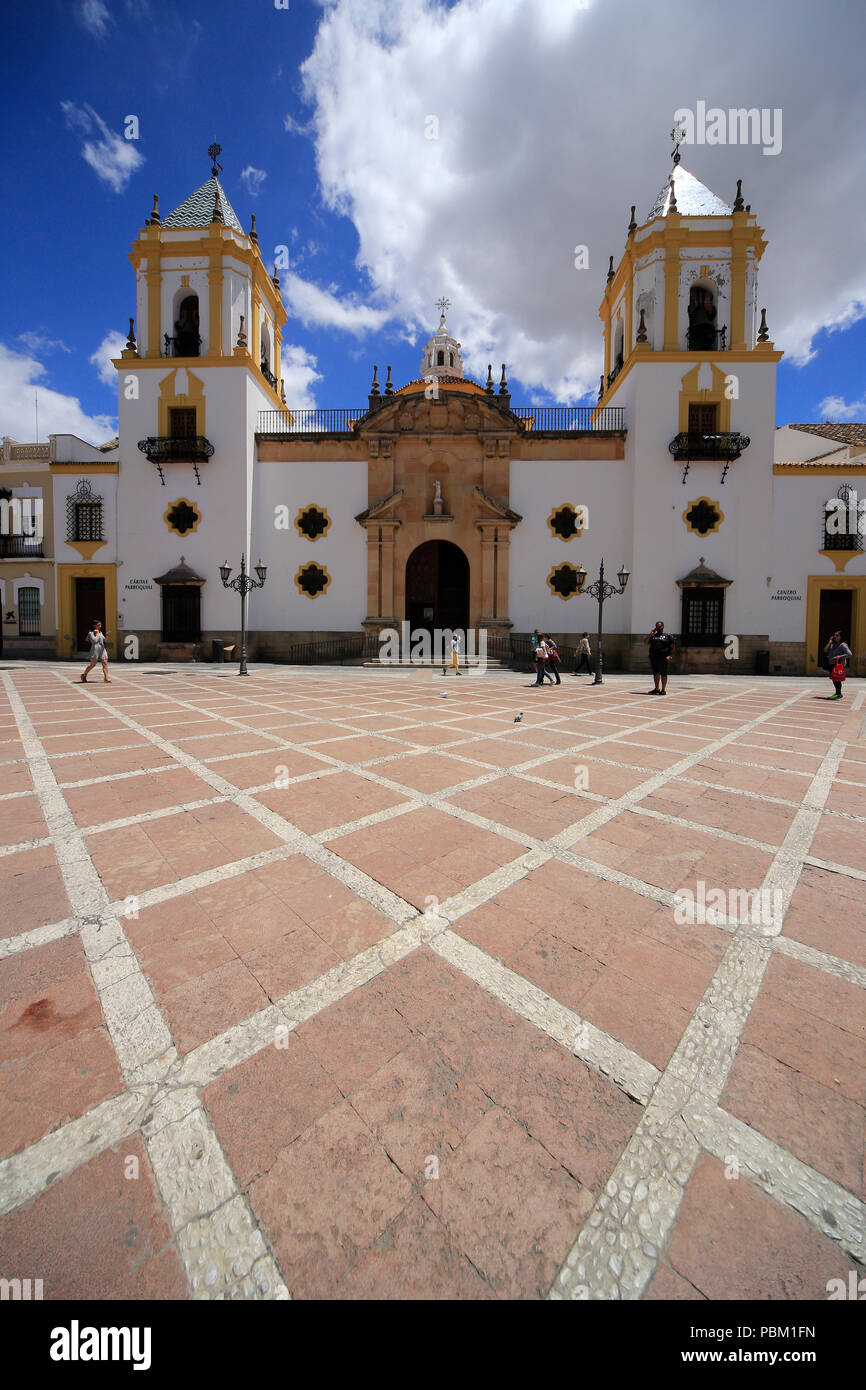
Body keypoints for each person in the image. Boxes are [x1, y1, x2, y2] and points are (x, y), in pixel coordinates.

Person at [644, 620, 675, 694]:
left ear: (663, 627)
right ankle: (656, 688)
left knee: (663, 674)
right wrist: (650, 634)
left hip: (663, 658)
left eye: (660, 626)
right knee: (656, 673)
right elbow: (645, 642)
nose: (658, 628)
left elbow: (672, 647)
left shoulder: (668, 636)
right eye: (657, 626)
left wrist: (669, 656)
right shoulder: (653, 636)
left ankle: (663, 690)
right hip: (654, 657)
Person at [824, 630, 852, 699]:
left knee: (837, 678)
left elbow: (850, 654)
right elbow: (825, 650)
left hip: (838, 664)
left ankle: (838, 693)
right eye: (834, 635)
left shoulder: (843, 645)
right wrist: (829, 643)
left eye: (837, 635)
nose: (835, 636)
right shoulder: (832, 644)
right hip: (831, 663)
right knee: (834, 678)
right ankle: (837, 693)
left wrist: (839, 656)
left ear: (840, 637)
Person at [81, 619, 111, 683]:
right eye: (98, 625)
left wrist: (107, 636)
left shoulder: (100, 632)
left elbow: (104, 641)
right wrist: (97, 634)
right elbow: (94, 640)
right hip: (95, 650)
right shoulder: (91, 633)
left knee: (105, 663)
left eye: (100, 625)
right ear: (94, 626)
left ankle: (106, 678)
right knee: (93, 665)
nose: (100, 626)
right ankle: (84, 675)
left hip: (102, 649)